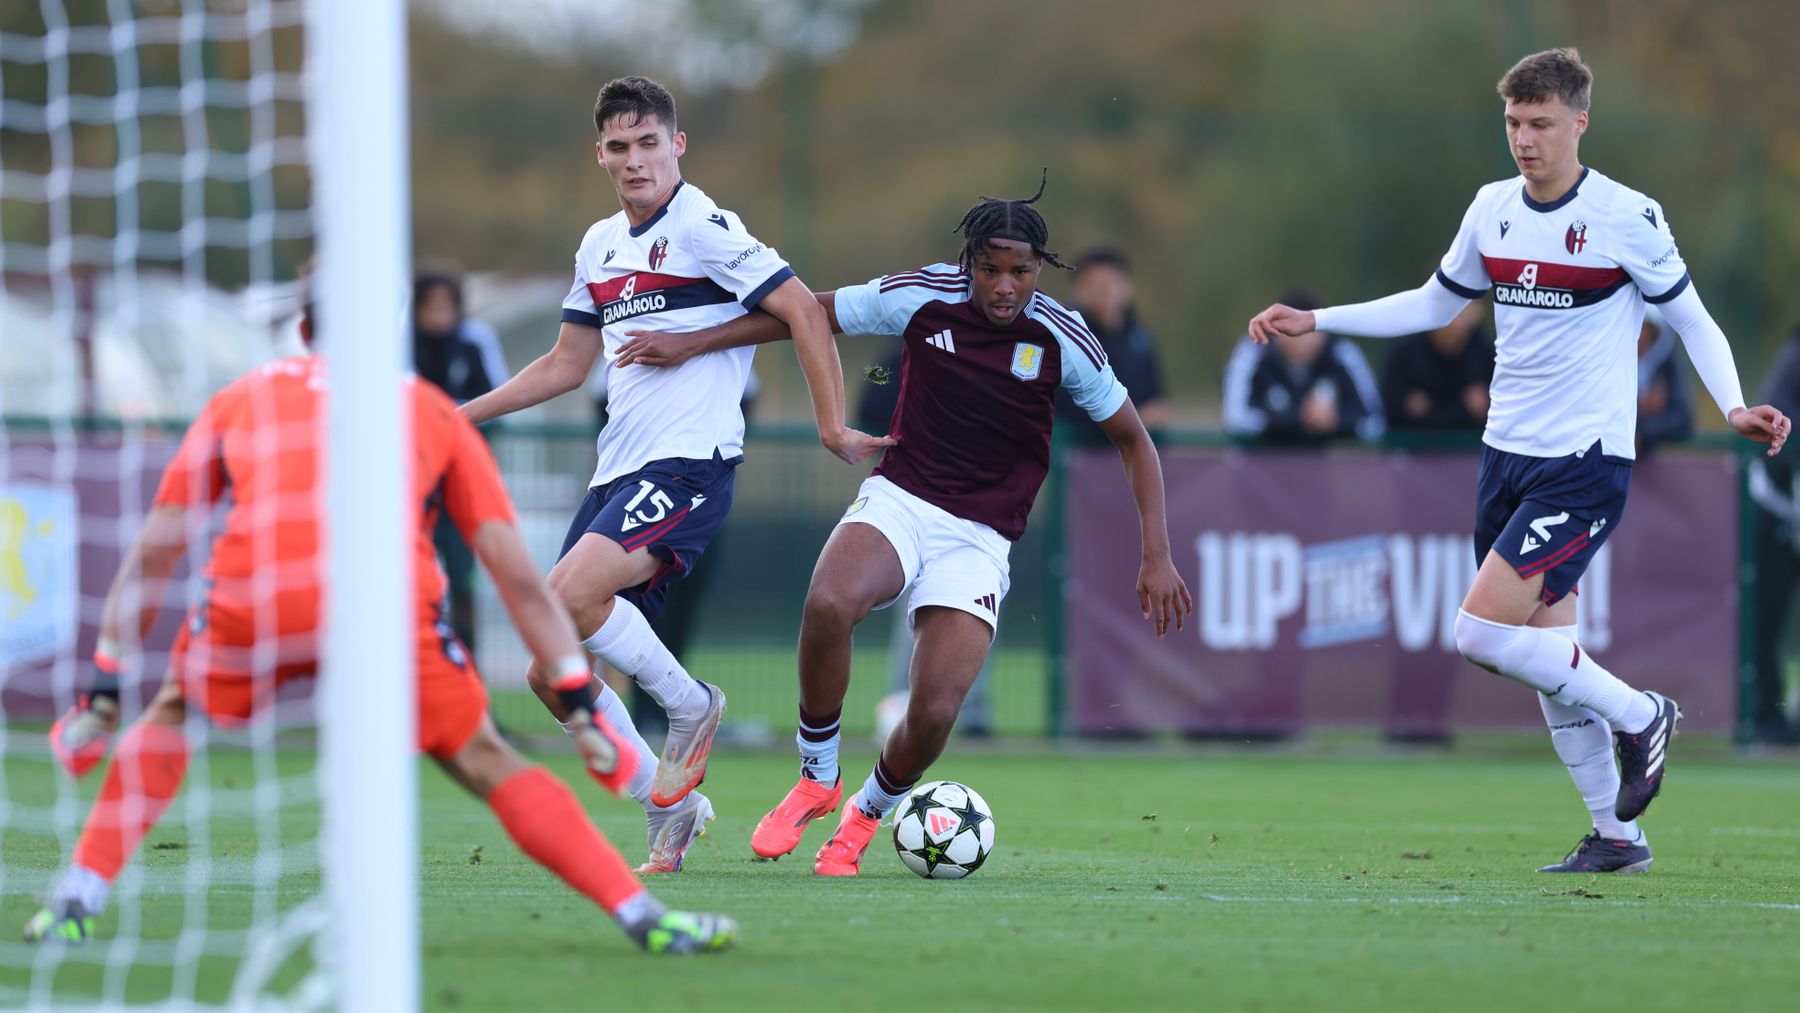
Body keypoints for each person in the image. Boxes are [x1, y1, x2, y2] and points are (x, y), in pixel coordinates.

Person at [33, 298, 735, 954]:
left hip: (261, 601)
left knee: (171, 713)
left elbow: (157, 547)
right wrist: (580, 704)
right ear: (387, 337)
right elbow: (516, 576)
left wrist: (104, 686)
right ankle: (642, 915)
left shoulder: (241, 398)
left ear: (303, 332)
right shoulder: (426, 409)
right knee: (489, 760)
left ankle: (77, 895)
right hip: (390, 609)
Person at [1247, 48, 1790, 874]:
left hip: (1585, 459)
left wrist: (1733, 404)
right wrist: (1319, 318)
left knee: (1476, 631)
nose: (1525, 139)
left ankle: (1644, 714)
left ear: (1579, 122)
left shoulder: (1626, 216)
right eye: (1513, 123)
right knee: (1547, 659)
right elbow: (1436, 302)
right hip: (1505, 456)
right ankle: (1619, 834)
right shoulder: (1491, 208)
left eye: (1540, 123)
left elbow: (1695, 321)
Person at [613, 174, 1192, 876]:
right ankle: (816, 776)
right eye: (991, 269)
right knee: (830, 600)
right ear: (967, 263)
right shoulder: (922, 294)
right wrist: (697, 342)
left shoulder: (1064, 337)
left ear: (1039, 269)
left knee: (937, 708)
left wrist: (1155, 553)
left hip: (981, 536)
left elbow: (1134, 437)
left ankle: (862, 816)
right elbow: (807, 311)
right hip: (902, 497)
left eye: (1021, 271)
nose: (1005, 286)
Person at [458, 76, 858, 874]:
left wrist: (830, 423)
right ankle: (668, 809)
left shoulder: (706, 227)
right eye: (619, 146)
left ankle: (689, 702)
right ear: (599, 153)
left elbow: (804, 310)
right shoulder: (599, 243)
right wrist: (454, 417)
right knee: (549, 668)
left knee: (566, 597)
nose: (634, 159)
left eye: (649, 143)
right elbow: (566, 365)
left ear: (677, 145)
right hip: (619, 469)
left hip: (690, 462)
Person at [413, 267, 511, 652]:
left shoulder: (474, 342)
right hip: (413, 486)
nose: (440, 315)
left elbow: (498, 399)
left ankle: (471, 682)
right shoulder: (399, 342)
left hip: (460, 486)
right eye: (431, 306)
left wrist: (449, 421)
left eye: (446, 305)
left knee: (462, 581)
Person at [1224, 288, 1385, 446]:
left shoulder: (1342, 352)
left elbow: (1374, 421)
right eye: (1295, 333)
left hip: (1324, 468)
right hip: (1259, 467)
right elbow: (1235, 418)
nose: (1305, 340)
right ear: (1277, 331)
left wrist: (1336, 420)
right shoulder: (1253, 350)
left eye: (1312, 330)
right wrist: (1299, 417)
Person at [1748, 324, 1800, 744]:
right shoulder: (1794, 357)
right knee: (1767, 613)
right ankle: (1767, 718)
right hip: (1778, 509)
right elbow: (1779, 428)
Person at [1056, 247, 1170, 439]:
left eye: (1112, 282)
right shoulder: (1067, 339)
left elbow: (1157, 399)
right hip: (1079, 457)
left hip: (1132, 454)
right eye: (1094, 284)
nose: (1104, 291)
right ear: (1078, 289)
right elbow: (1065, 408)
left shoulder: (1140, 338)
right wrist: (1130, 419)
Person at [1380, 300, 1495, 432]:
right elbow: (1389, 402)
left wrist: (1488, 403)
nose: (1457, 317)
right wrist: (1405, 405)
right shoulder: (1405, 350)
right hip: (1414, 442)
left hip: (1471, 445)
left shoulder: (1486, 351)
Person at [1634, 304, 1694, 454]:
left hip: (1649, 465)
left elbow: (1683, 419)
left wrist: (1643, 429)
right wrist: (1639, 408)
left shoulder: (1665, 361)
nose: (1641, 335)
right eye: (1637, 325)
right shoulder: (1607, 360)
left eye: (1648, 329)